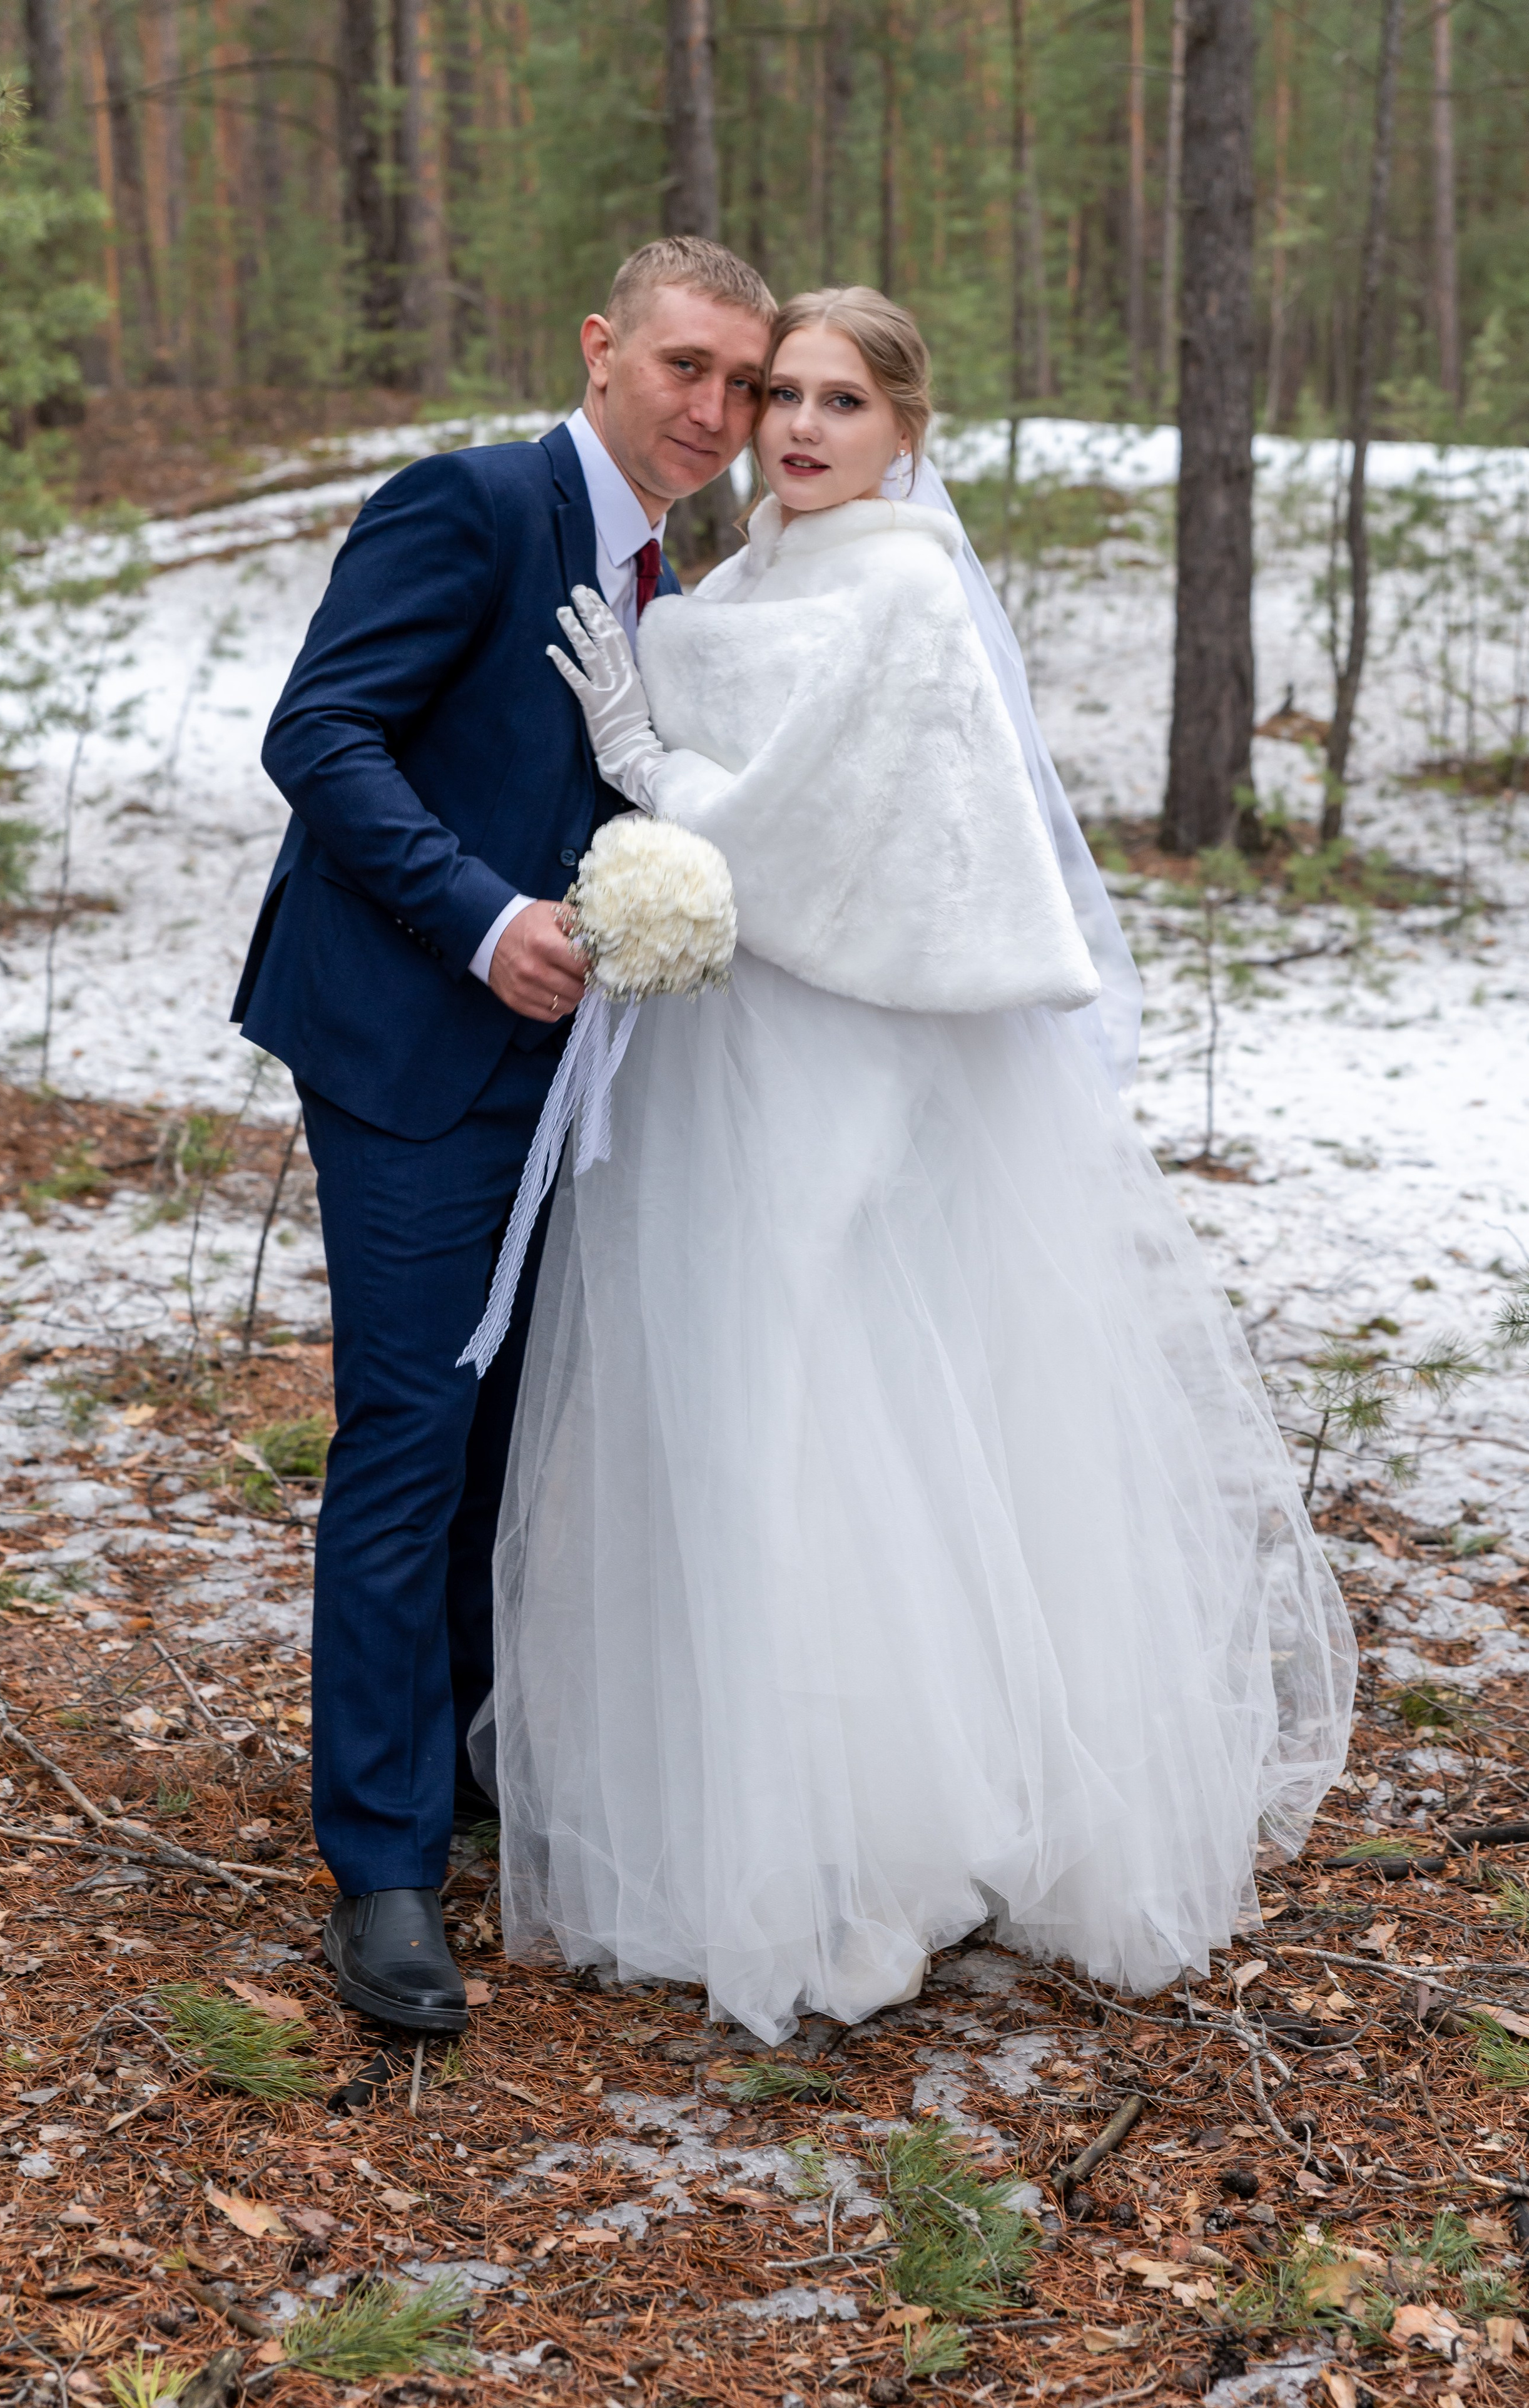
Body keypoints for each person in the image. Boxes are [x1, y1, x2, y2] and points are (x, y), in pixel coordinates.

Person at [495, 288, 1356, 2041]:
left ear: (906, 429)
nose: (798, 429)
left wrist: (648, 763)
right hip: (727, 1061)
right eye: (778, 396)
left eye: (838, 402)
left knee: (823, 1411)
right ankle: (780, 1819)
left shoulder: (898, 588)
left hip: (840, 1053)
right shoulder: (753, 569)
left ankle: (884, 1847)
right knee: (740, 1422)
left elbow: (814, 824)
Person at [231, 238, 776, 2033]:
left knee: (507, 1426)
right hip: (405, 1044)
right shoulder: (471, 502)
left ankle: (455, 1750)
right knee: (407, 1434)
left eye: (746, 388)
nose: (716, 412)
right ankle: (379, 1864)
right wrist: (479, 915)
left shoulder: (662, 566)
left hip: (567, 1079)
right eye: (687, 369)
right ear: (603, 344)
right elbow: (319, 733)